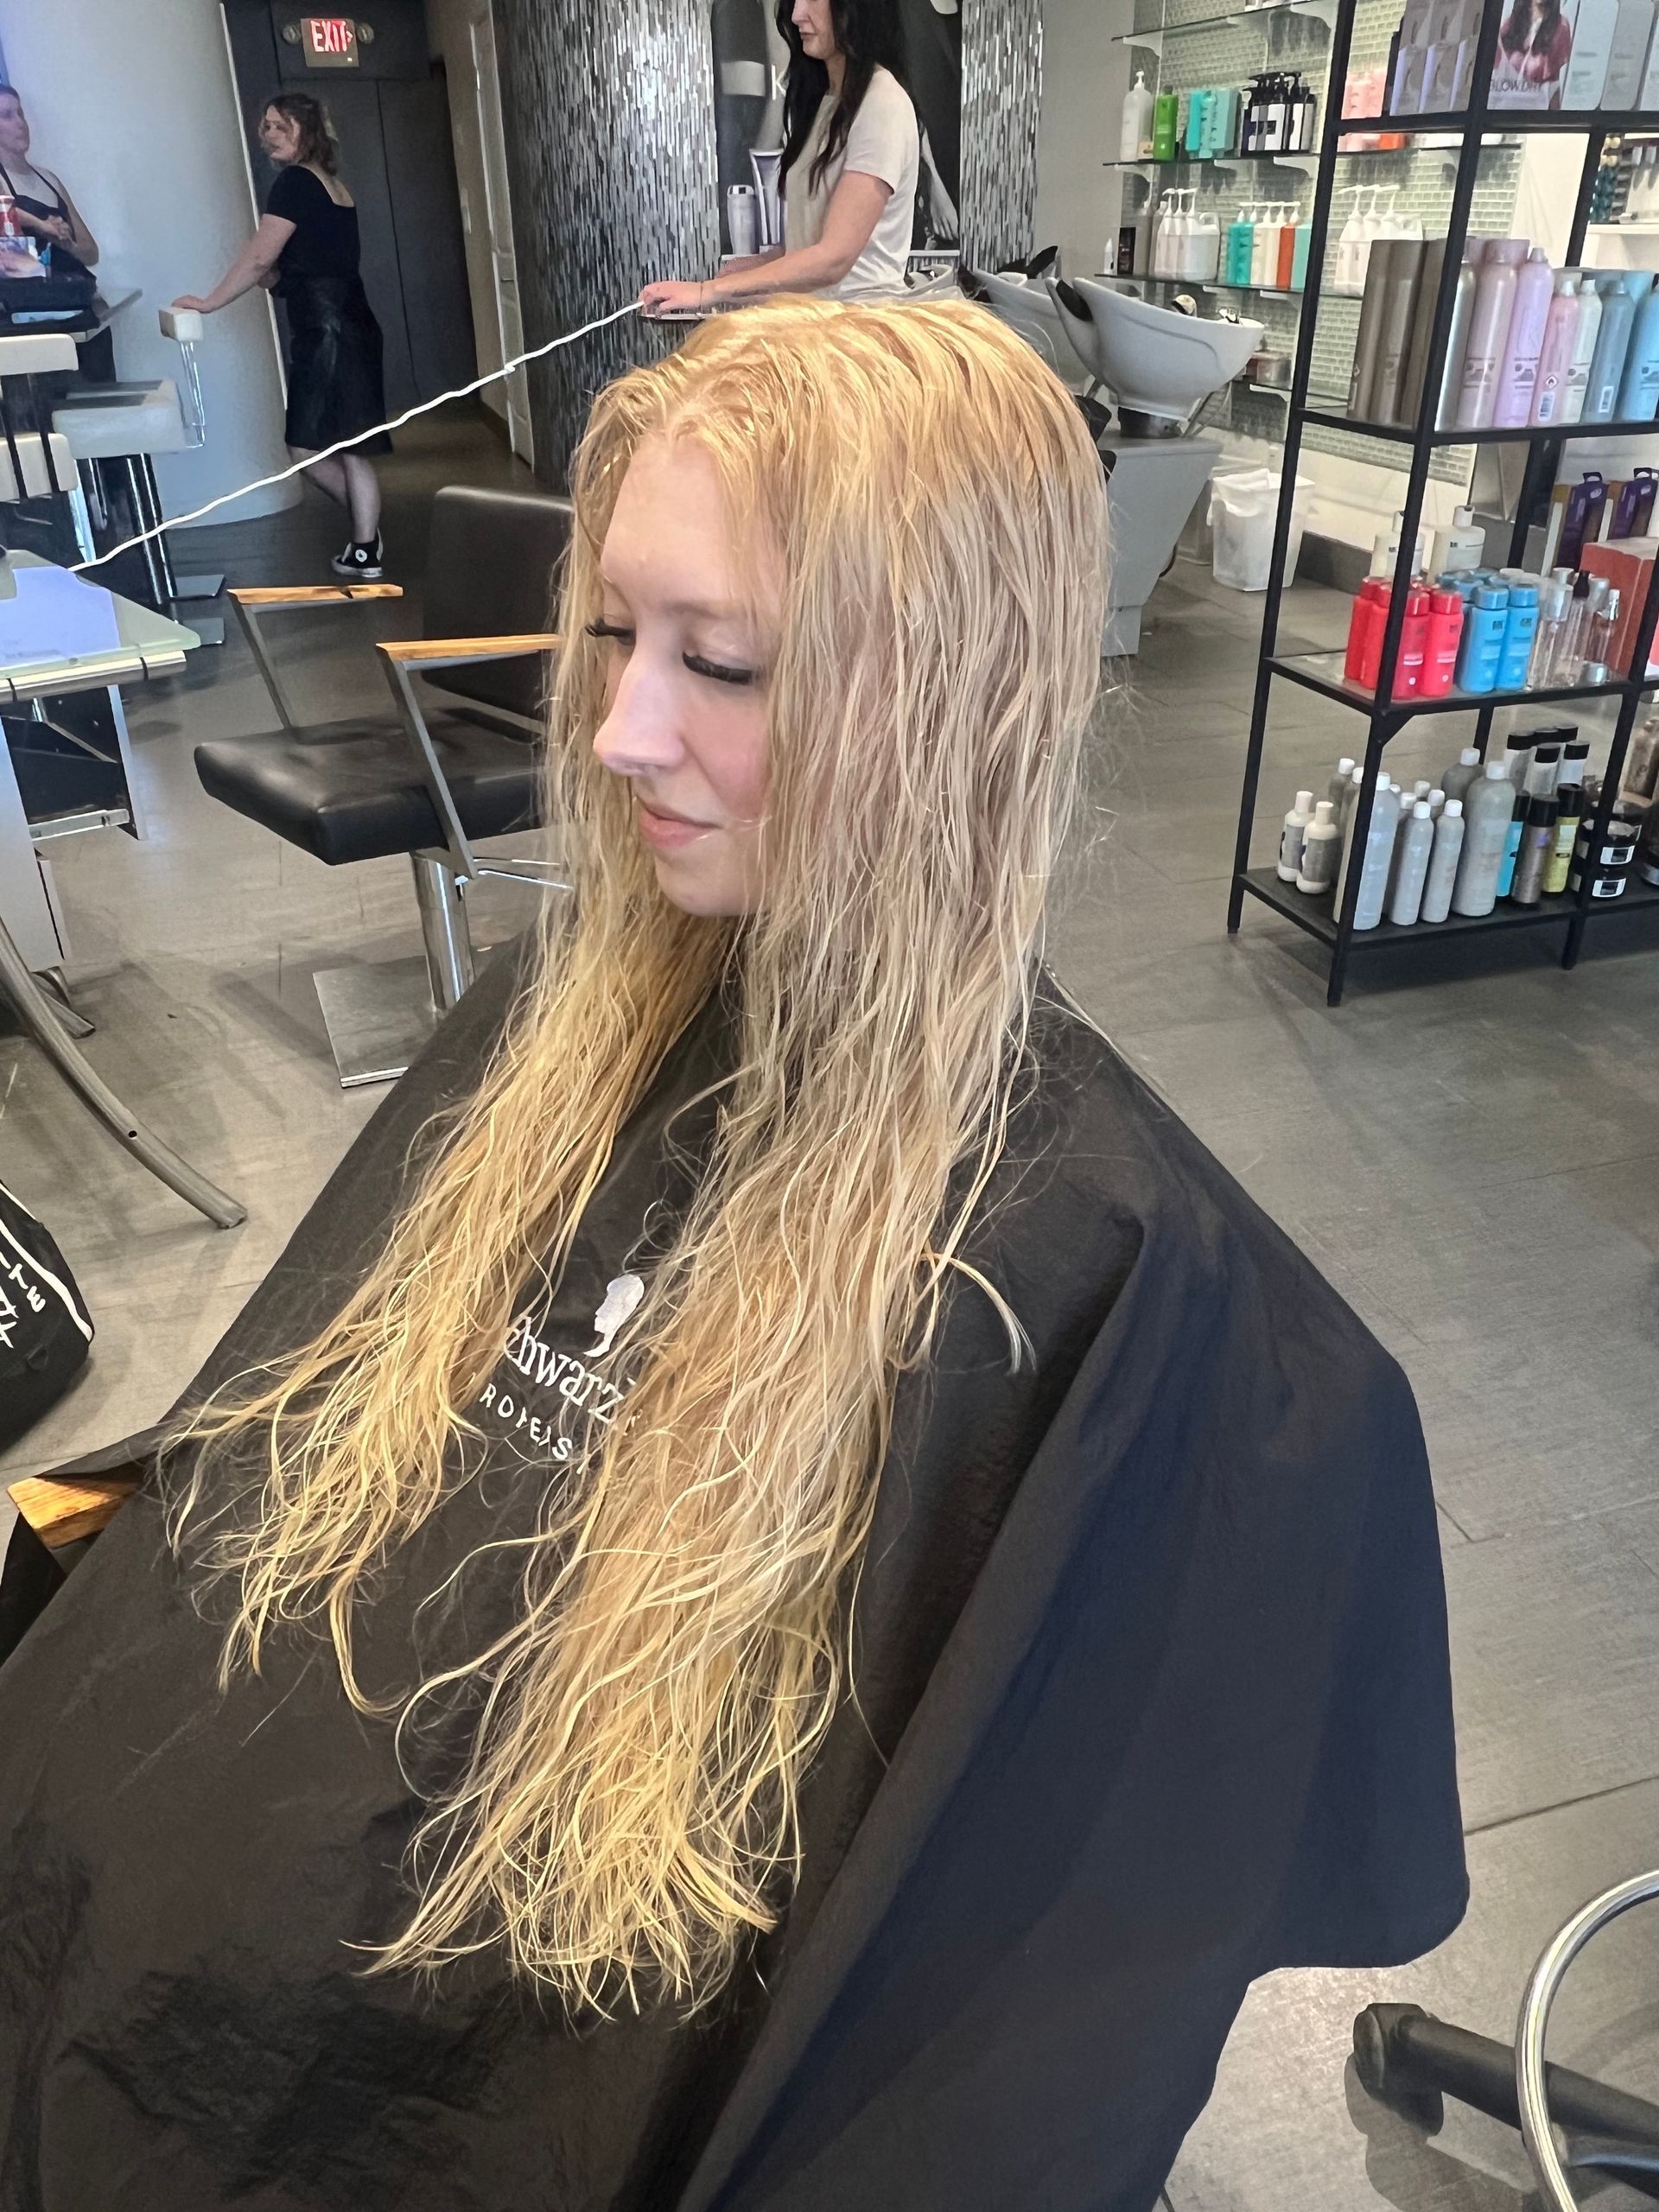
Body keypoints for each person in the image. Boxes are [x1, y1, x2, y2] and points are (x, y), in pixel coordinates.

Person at [0, 298, 1466, 2212]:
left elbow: (989, 2047)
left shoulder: (1118, 1288)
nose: (620, 730)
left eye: (728, 661)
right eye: (618, 632)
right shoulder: (554, 1029)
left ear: (950, 695)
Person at [174, 93, 389, 581]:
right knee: (349, 443)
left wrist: (209, 302)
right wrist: (274, 277)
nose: (267, 135)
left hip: (328, 328)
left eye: (279, 126)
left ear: (304, 130)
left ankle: (367, 541)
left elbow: (257, 259)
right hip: (349, 320)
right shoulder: (332, 184)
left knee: (308, 451)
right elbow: (301, 267)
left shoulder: (294, 183)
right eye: (265, 126)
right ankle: (366, 540)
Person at [641, 0, 920, 316]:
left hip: (857, 329)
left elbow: (834, 258)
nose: (797, 14)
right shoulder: (826, 102)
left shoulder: (882, 103)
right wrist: (757, 265)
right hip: (816, 318)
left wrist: (709, 291)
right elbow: (810, 243)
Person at [0, 84, 112, 378]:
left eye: (20, 113)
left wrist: (65, 242)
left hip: (78, 307)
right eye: (7, 116)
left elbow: (91, 253)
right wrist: (40, 225)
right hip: (31, 322)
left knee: (96, 390)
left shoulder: (49, 179)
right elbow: (7, 220)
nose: (20, 123)